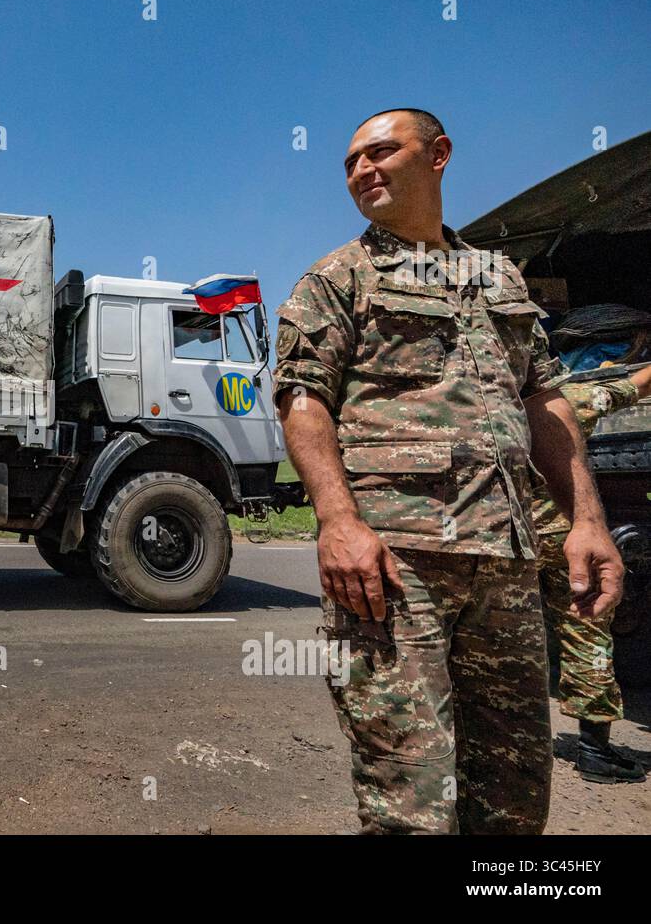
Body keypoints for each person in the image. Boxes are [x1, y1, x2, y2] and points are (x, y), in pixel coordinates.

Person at [273, 108, 624, 834]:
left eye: (379, 152)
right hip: (397, 569)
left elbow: (545, 400)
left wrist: (587, 520)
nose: (361, 171)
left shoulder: (498, 278)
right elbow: (303, 400)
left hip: (507, 564)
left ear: (438, 155)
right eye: (349, 163)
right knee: (411, 801)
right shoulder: (341, 277)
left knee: (514, 797)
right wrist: (338, 521)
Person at [534, 366, 651, 783]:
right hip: (563, 543)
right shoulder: (564, 401)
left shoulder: (480, 404)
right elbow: (632, 388)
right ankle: (593, 749)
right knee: (586, 632)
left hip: (502, 540)